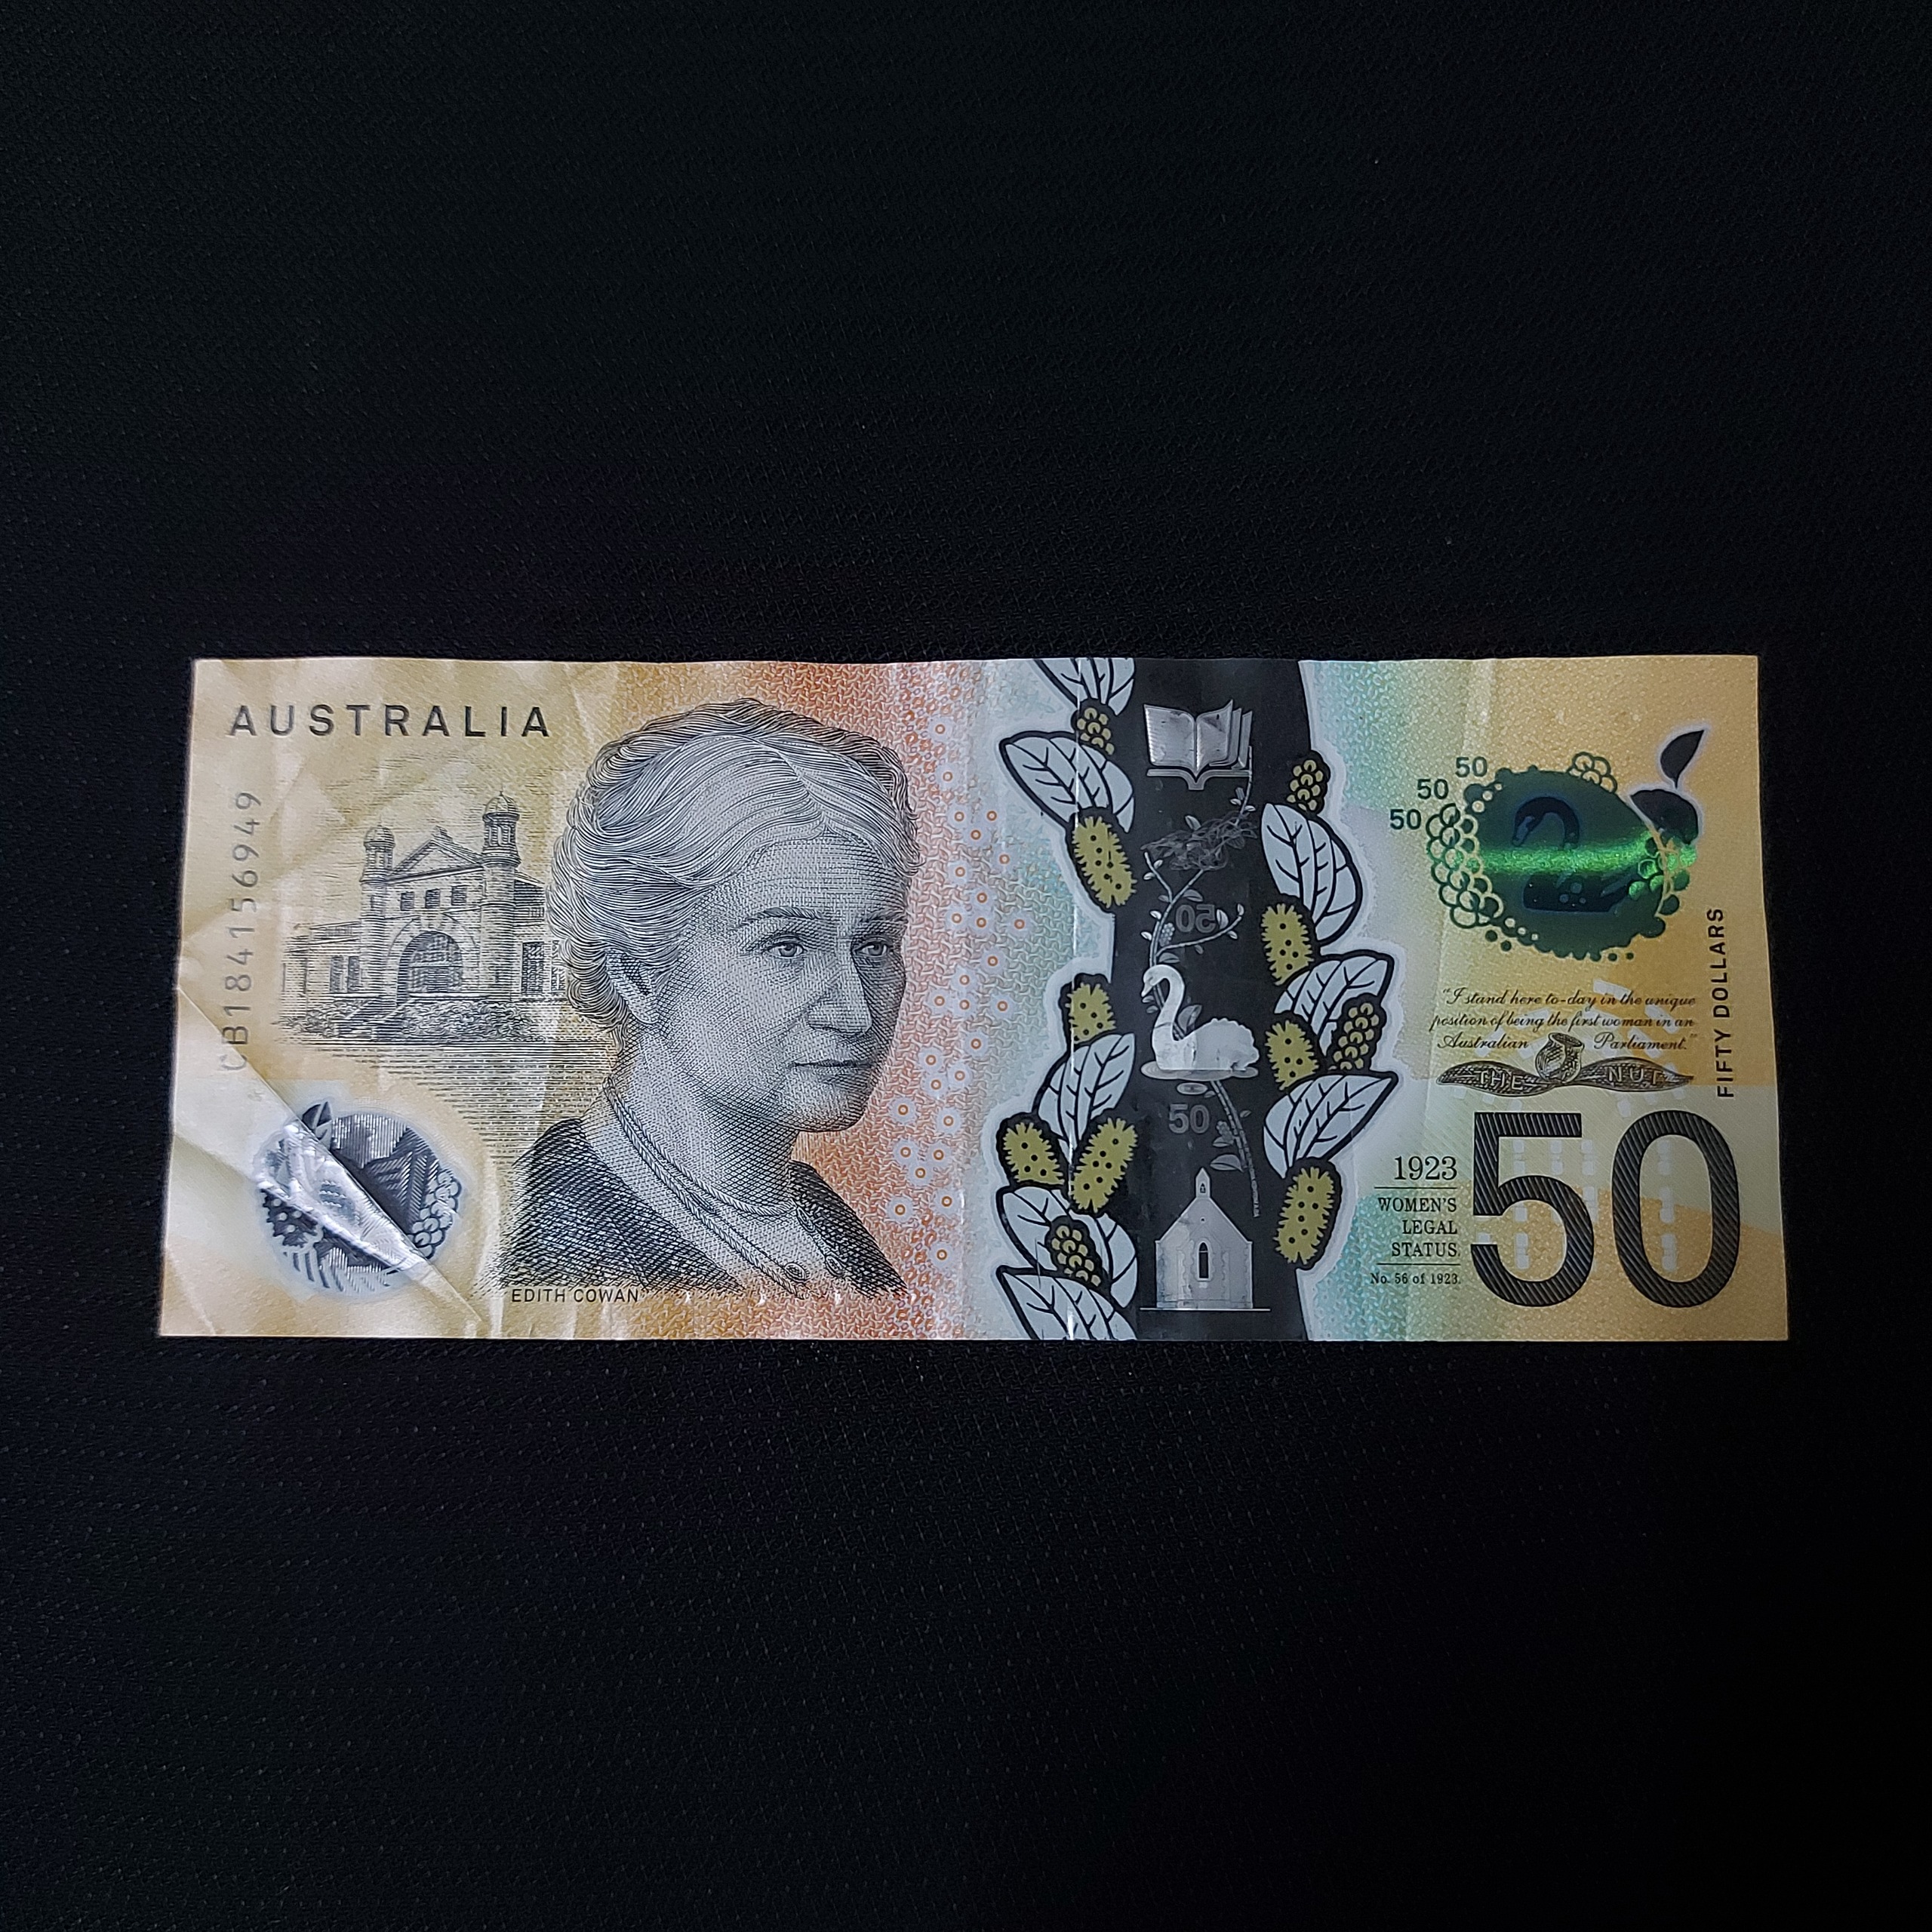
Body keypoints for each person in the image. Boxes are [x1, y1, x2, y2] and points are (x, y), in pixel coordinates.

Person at [500, 699, 919, 1297]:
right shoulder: (550, 1233)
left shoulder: (826, 1223)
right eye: (786, 946)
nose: (855, 1012)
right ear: (640, 974)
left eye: (875, 946)